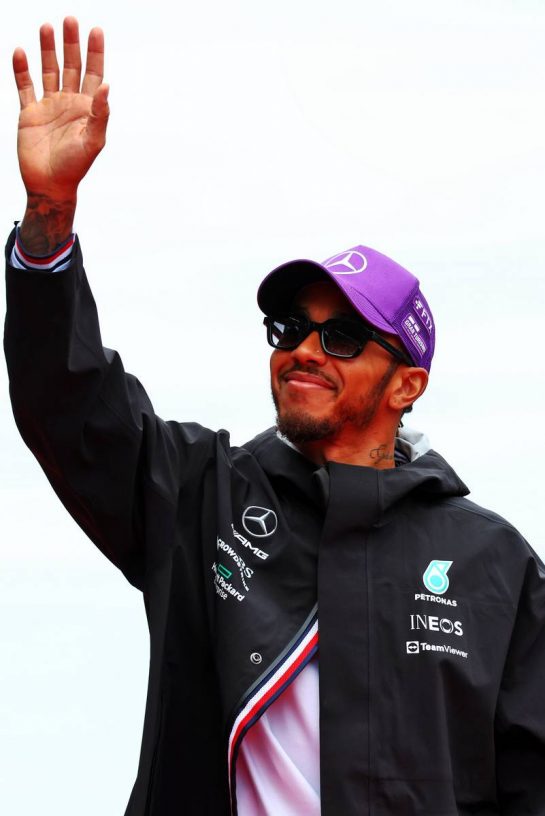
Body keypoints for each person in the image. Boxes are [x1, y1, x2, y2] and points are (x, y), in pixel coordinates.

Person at [5, 17, 545, 816]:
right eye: (290, 329)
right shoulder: (201, 497)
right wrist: (49, 218)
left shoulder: (496, 567)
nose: (304, 350)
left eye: (343, 336)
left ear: (407, 384)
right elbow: (68, 402)